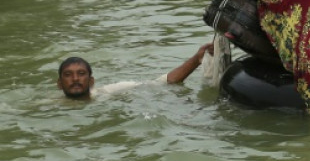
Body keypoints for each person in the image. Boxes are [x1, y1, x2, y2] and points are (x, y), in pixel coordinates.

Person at [57, 43, 214, 100]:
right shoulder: (51, 106)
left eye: (81, 74)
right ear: (59, 84)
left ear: (91, 81)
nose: (75, 79)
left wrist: (197, 59)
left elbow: (163, 82)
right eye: (68, 75)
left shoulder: (109, 92)